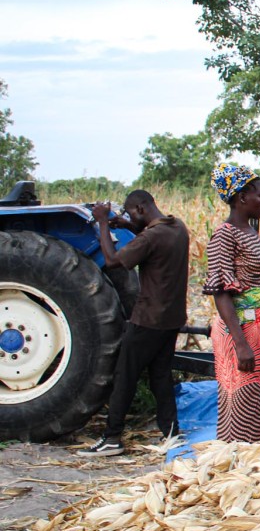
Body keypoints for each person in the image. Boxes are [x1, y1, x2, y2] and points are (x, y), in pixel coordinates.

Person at [78, 191, 190, 456]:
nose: (129, 217)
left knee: (124, 376)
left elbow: (113, 261)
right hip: (171, 318)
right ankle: (171, 432)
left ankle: (112, 437)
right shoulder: (176, 226)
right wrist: (126, 224)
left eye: (130, 213)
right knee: (160, 376)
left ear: (140, 207)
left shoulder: (151, 237)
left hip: (148, 319)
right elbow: (148, 234)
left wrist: (103, 222)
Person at [203, 164, 260, 443]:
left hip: (256, 329)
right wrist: (241, 344)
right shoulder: (225, 235)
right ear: (241, 198)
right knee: (244, 400)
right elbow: (221, 291)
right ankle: (239, 463)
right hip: (241, 330)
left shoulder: (250, 231)